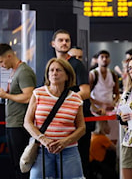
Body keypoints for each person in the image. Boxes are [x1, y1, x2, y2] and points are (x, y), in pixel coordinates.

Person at [24, 58, 85, 179]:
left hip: (69, 150)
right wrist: (43, 139)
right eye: (51, 70)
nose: (54, 73)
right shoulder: (38, 93)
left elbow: (82, 128)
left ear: (67, 75)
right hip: (41, 149)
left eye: (58, 70)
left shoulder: (76, 99)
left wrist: (65, 142)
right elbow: (27, 122)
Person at [0, 43, 36, 179]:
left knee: (22, 164)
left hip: (20, 124)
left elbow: (29, 96)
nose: (1, 65)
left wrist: (6, 96)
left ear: (9, 56)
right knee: (15, 163)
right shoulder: (15, 71)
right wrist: (3, 93)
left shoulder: (24, 71)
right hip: (13, 123)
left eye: (1, 61)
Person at [51, 29, 92, 177]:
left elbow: (85, 92)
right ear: (53, 43)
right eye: (61, 40)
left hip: (76, 119)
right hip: (57, 123)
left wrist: (64, 102)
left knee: (79, 162)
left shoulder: (76, 65)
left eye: (67, 40)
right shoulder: (51, 65)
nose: (64, 43)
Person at [89, 50, 120, 143]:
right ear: (97, 60)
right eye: (102, 57)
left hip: (110, 110)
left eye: (106, 57)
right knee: (98, 137)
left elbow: (117, 93)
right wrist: (100, 105)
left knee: (113, 136)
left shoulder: (113, 74)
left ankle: (113, 156)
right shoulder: (93, 74)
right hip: (97, 111)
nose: (104, 59)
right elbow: (87, 95)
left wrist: (114, 103)